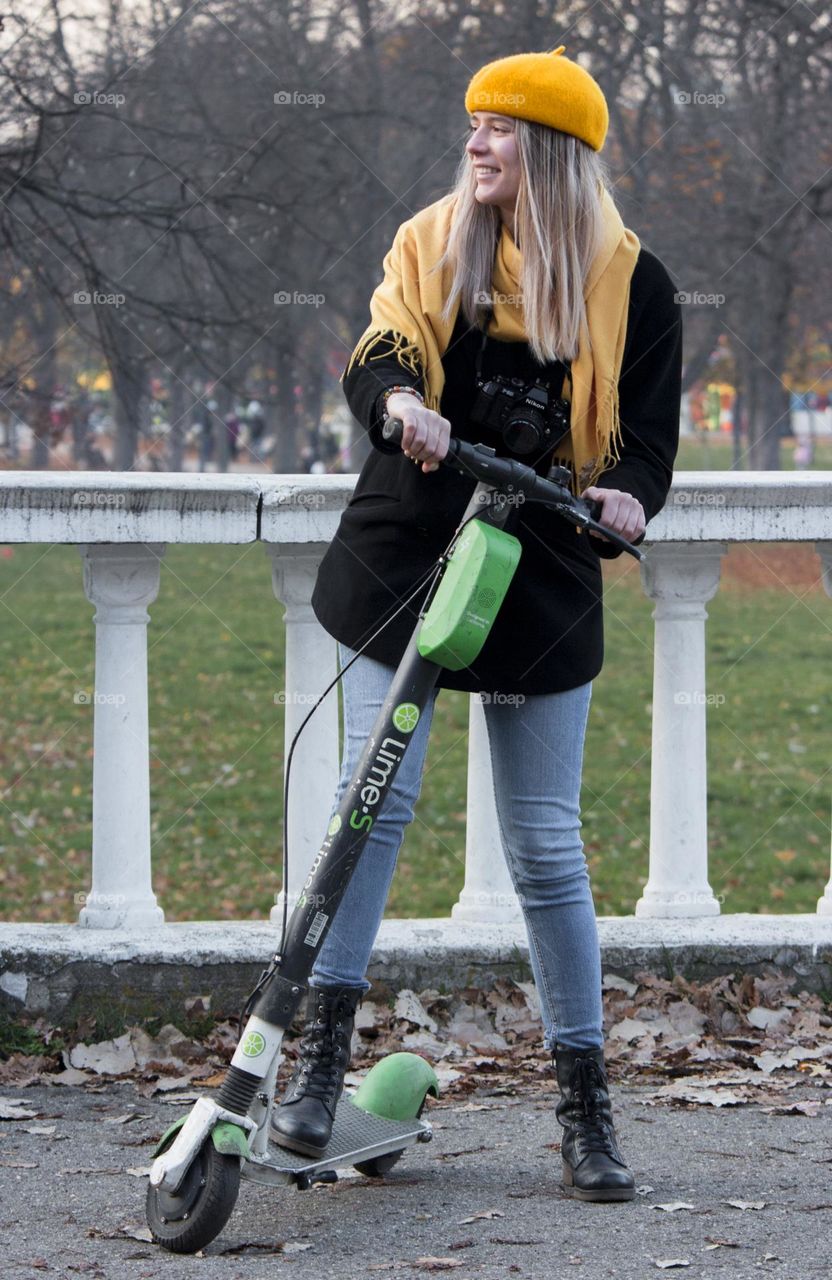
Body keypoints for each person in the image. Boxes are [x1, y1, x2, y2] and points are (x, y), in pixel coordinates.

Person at [273, 46, 682, 1203]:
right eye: (472, 123)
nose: (477, 141)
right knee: (373, 801)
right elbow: (381, 351)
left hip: (539, 565)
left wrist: (626, 496)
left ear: (550, 152)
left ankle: (585, 1105)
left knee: (545, 846)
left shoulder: (634, 286)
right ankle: (315, 1066)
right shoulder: (431, 243)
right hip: (406, 553)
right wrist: (401, 404)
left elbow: (646, 445)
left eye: (501, 127)